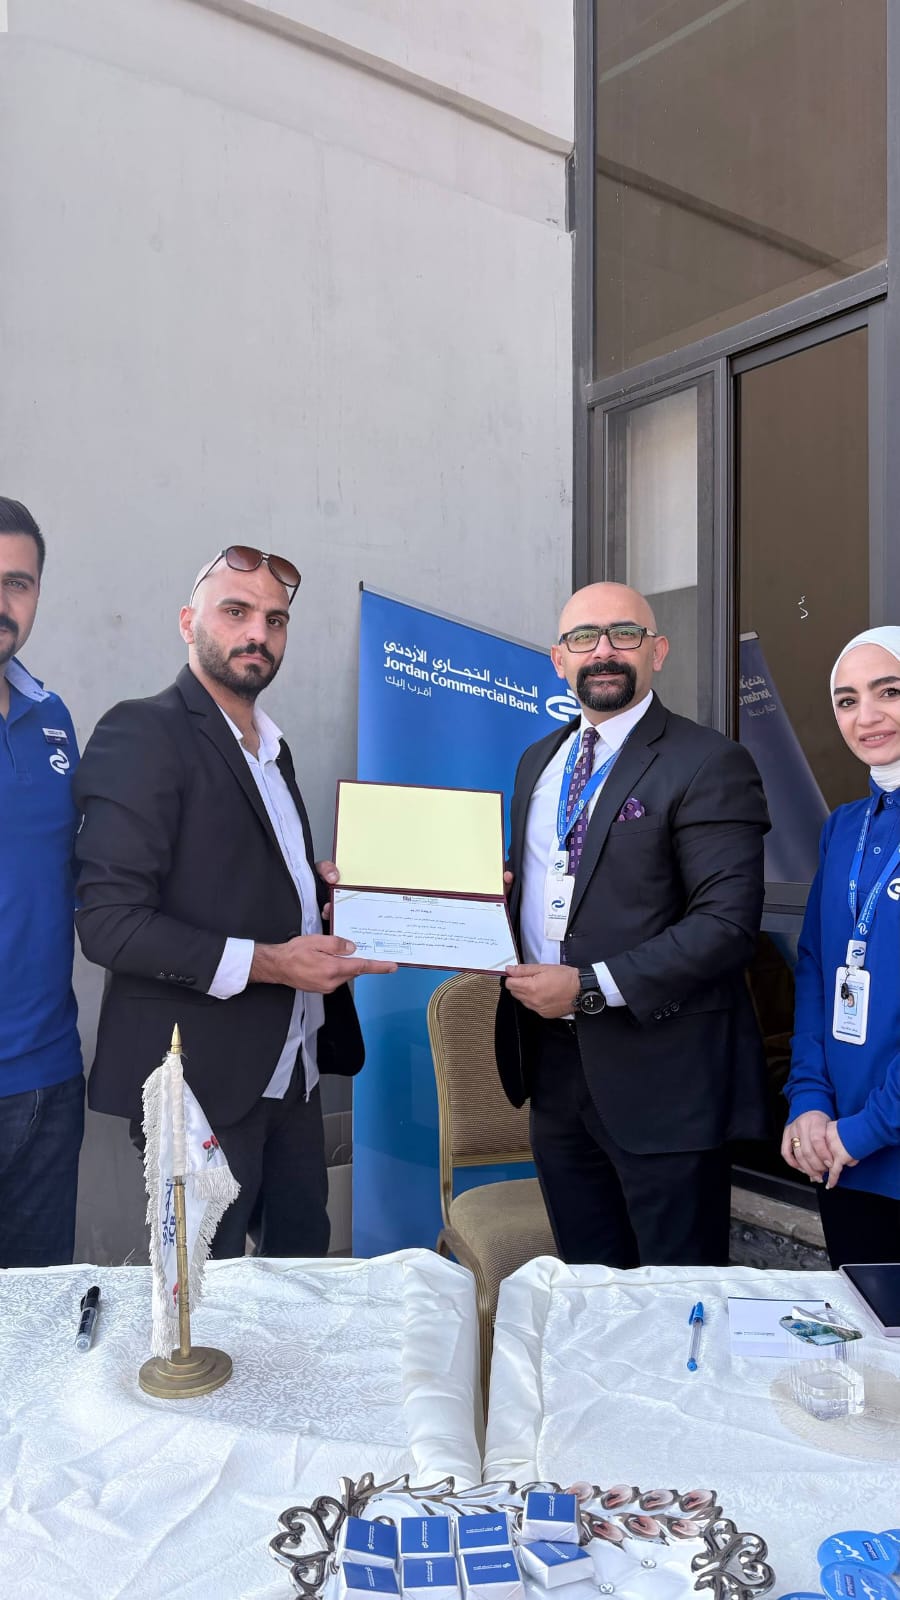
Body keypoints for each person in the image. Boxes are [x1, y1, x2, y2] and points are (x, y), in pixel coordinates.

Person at [74, 545, 395, 1257]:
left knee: (301, 1274)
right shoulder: (143, 731)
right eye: (236, 612)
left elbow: (237, 880)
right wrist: (275, 963)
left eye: (275, 621)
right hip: (200, 1081)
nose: (258, 633)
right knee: (202, 1298)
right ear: (189, 623)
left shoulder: (273, 750)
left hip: (294, 1071)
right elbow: (109, 924)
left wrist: (325, 896)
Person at [495, 581, 770, 1268]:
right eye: (583, 638)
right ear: (559, 659)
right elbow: (545, 886)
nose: (604, 652)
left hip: (663, 1079)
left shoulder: (708, 761)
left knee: (677, 1298)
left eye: (624, 634)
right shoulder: (537, 762)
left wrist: (589, 986)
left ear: (658, 651)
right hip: (553, 1069)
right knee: (587, 1287)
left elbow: (727, 924)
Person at [783, 625, 900, 1267]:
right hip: (840, 1155)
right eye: (848, 700)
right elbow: (816, 968)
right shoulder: (843, 826)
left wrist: (865, 1129)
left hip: (866, 1138)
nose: (868, 716)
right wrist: (808, 1101)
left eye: (890, 691)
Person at [0, 496, 84, 1267]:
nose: (2, 600)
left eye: (17, 583)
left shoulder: (52, 718)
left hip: (49, 1081)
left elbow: (99, 866)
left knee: (39, 1316)